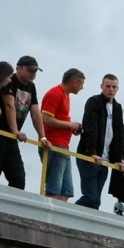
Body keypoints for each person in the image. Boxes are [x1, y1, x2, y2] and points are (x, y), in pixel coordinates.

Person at [0, 56, 50, 190]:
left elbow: (35, 113)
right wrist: (15, 131)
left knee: (18, 179)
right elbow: (9, 105)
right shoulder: (9, 81)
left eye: (35, 71)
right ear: (19, 68)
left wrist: (42, 136)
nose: (33, 74)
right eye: (30, 70)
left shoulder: (31, 87)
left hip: (11, 139)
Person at [75, 74, 124, 210]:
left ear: (118, 89)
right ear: (101, 86)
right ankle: (64, 214)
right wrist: (92, 152)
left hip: (104, 160)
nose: (111, 89)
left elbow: (119, 134)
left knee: (96, 202)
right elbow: (90, 128)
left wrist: (119, 159)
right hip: (88, 157)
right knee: (90, 197)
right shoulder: (94, 102)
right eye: (108, 86)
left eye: (114, 87)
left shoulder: (117, 107)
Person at [39, 68, 85, 201]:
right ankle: (47, 219)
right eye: (81, 84)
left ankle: (56, 219)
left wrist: (70, 128)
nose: (82, 88)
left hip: (62, 145)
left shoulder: (65, 95)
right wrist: (70, 125)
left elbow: (59, 118)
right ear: (74, 82)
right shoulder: (55, 94)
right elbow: (46, 119)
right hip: (54, 144)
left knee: (66, 190)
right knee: (54, 187)